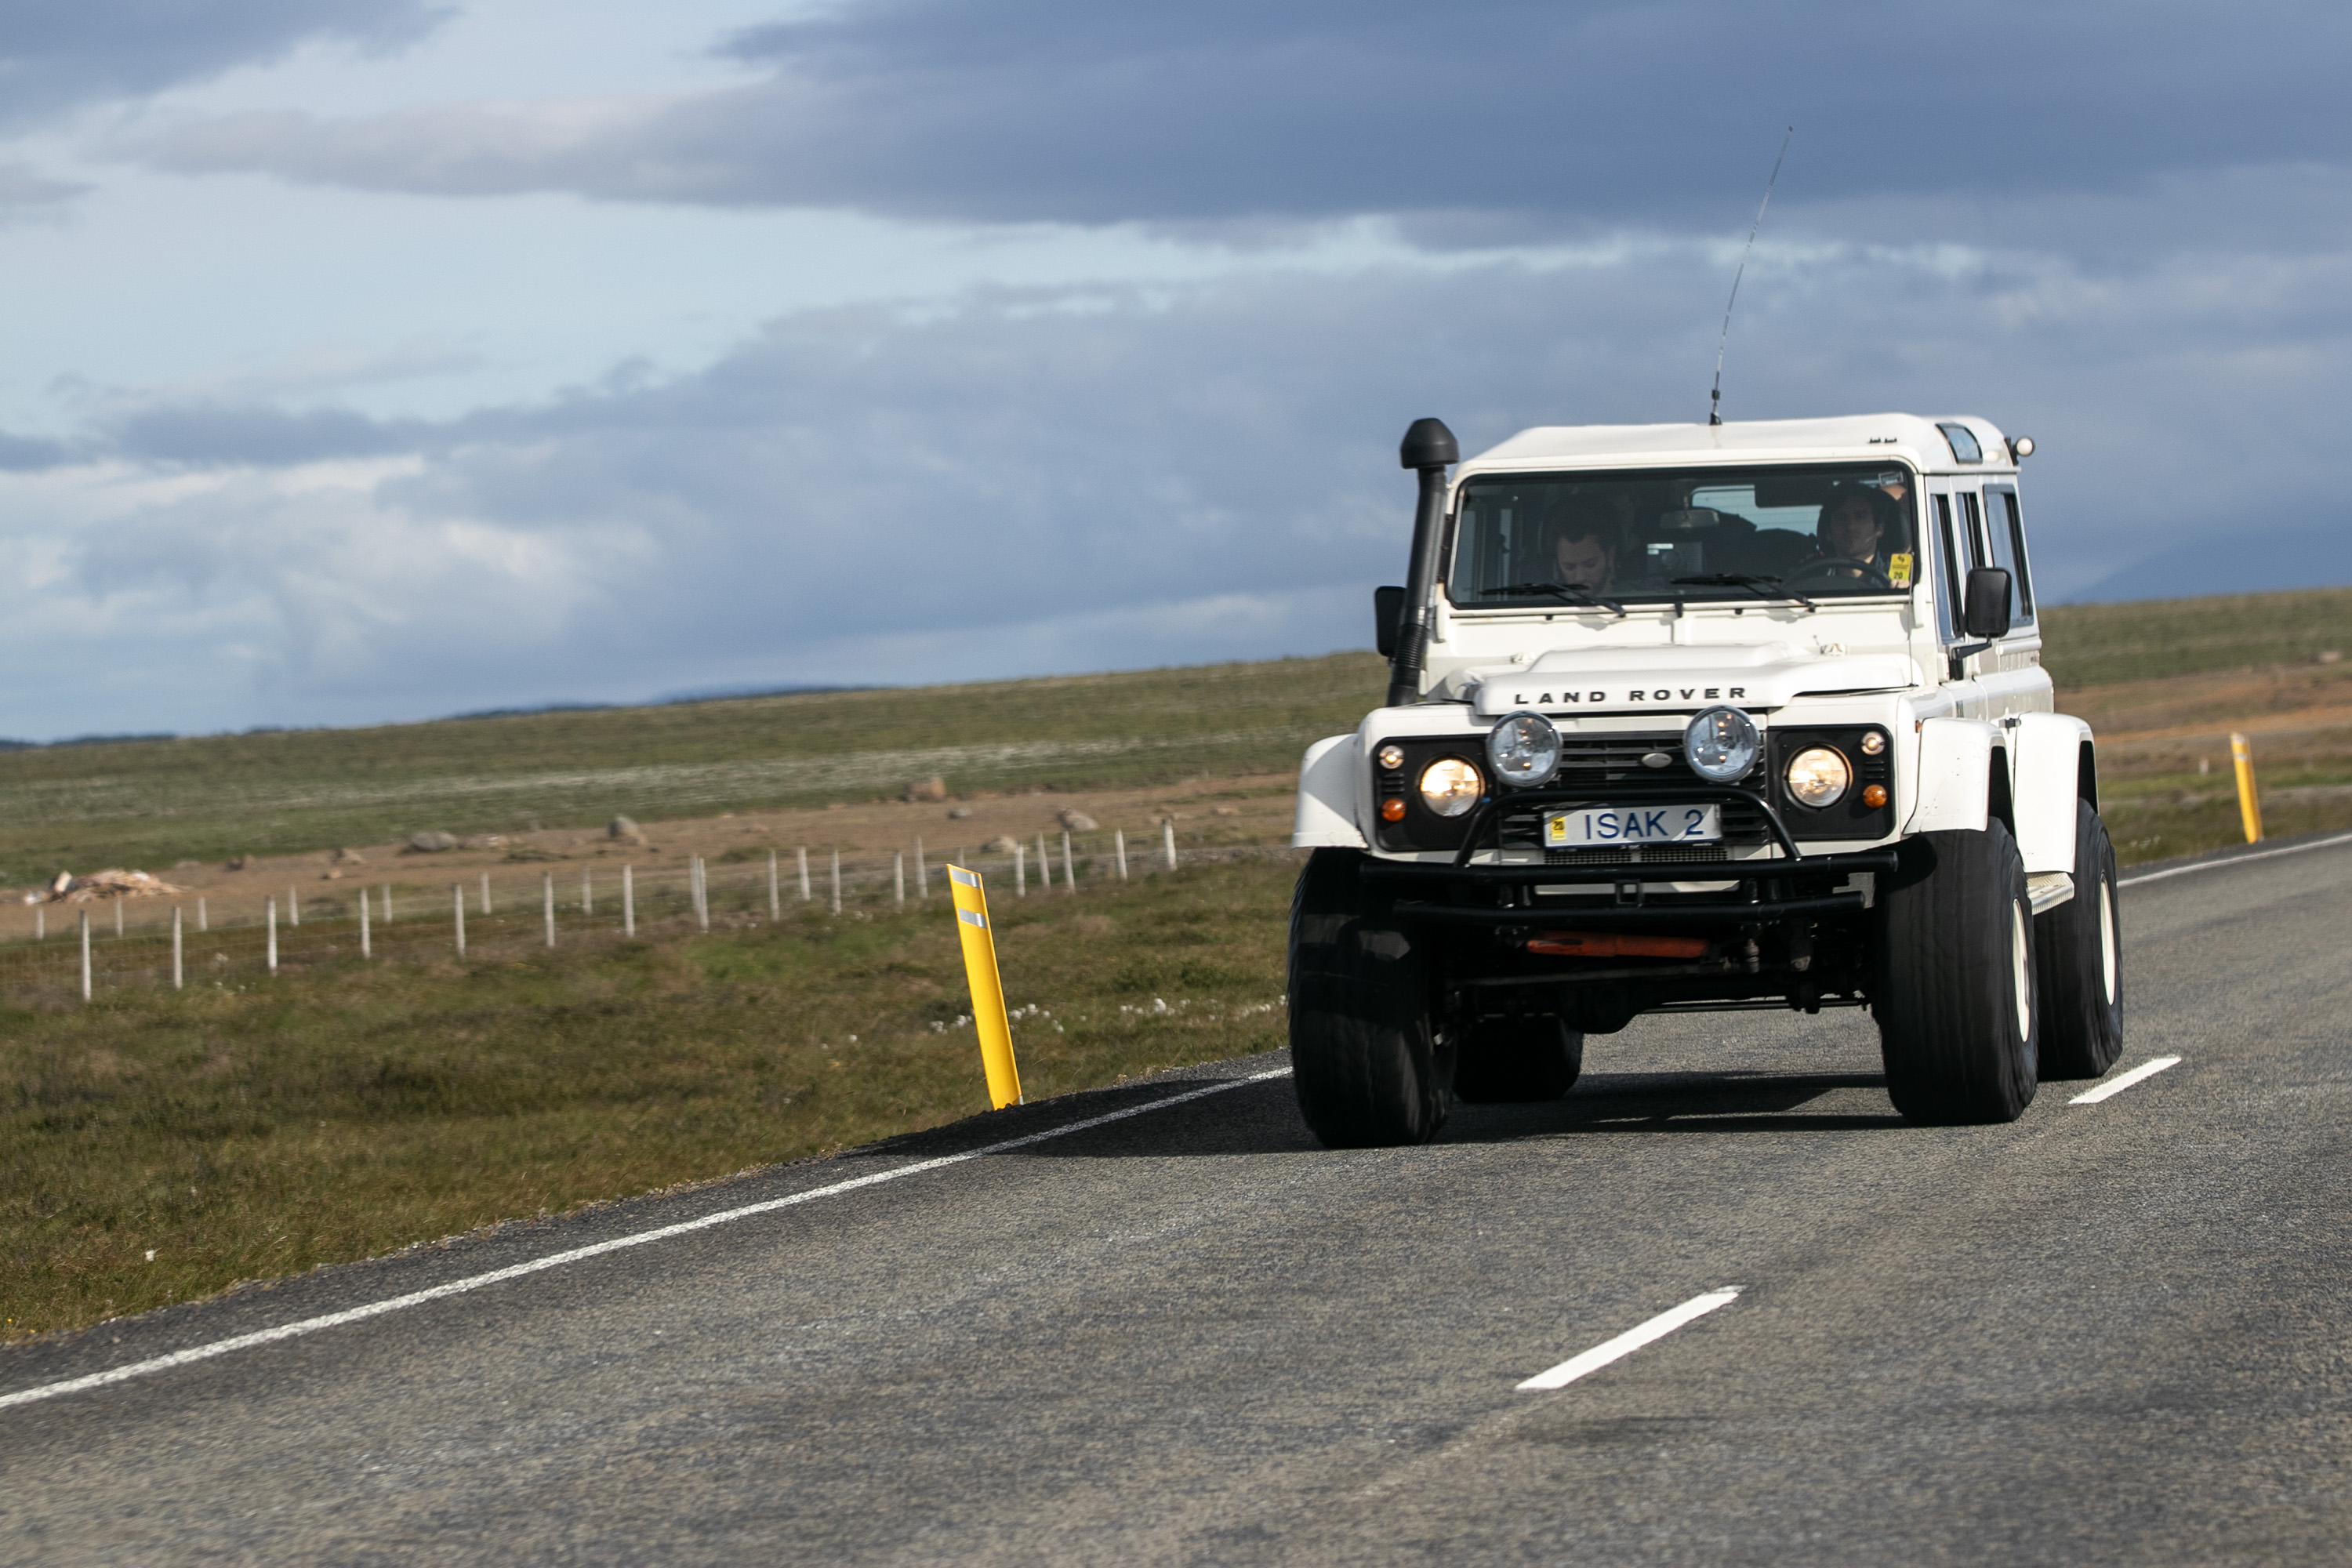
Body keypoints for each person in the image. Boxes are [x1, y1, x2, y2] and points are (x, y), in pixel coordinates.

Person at [1812, 485, 1899, 572]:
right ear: (1828, 532)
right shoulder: (1812, 577)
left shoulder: (1899, 575)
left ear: (1879, 528)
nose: (1850, 526)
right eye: (1841, 518)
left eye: (1860, 517)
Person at [1548, 519, 1618, 592]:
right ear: (1557, 564)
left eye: (1590, 565)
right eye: (1569, 567)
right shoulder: (1547, 598)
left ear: (1610, 556)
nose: (1580, 578)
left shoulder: (1627, 595)